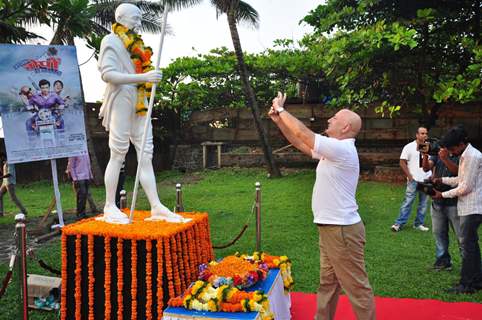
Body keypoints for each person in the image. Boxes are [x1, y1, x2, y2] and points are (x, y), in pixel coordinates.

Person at [268, 92, 375, 320]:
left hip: (342, 230)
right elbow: (299, 141)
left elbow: (303, 133)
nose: (329, 120)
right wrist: (279, 121)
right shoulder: (333, 149)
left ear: (345, 127)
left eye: (334, 118)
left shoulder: (342, 149)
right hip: (331, 228)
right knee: (328, 283)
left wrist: (282, 110)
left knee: (357, 287)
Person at [97, 3, 185, 224]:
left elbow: (140, 73)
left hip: (139, 100)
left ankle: (156, 205)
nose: (139, 21)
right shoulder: (111, 41)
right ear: (122, 17)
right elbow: (108, 75)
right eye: (135, 17)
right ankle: (110, 205)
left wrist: (147, 78)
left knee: (146, 152)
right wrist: (143, 78)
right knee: (118, 153)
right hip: (121, 99)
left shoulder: (137, 45)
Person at [432, 126, 481, 294]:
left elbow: (465, 187)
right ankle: (476, 280)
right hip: (468, 206)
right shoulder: (465, 155)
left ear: (461, 144)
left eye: (453, 148)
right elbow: (461, 178)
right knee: (472, 245)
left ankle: (466, 285)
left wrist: (442, 195)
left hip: (472, 207)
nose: (452, 152)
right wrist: (442, 179)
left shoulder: (472, 156)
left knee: (467, 247)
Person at [422, 147, 461, 271]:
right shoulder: (438, 155)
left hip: (454, 201)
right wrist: (425, 155)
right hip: (437, 200)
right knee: (439, 233)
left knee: (461, 236)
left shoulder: (460, 155)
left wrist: (444, 158)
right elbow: (426, 167)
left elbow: (459, 173)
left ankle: (468, 264)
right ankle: (443, 261)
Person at [391, 127, 432, 232]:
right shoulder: (409, 147)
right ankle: (398, 223)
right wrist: (409, 176)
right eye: (422, 133)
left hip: (426, 179)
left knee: (423, 204)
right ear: (417, 135)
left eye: (426, 133)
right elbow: (402, 162)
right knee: (408, 202)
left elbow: (433, 163)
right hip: (413, 179)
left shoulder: (430, 147)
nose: (424, 135)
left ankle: (418, 224)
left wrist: (433, 175)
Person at [66, 154, 93, 220]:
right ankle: (80, 213)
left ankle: (83, 213)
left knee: (84, 195)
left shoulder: (85, 151)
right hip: (79, 177)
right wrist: (75, 178)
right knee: (81, 195)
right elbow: (71, 166)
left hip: (86, 176)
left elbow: (88, 164)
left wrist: (90, 175)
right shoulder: (74, 152)